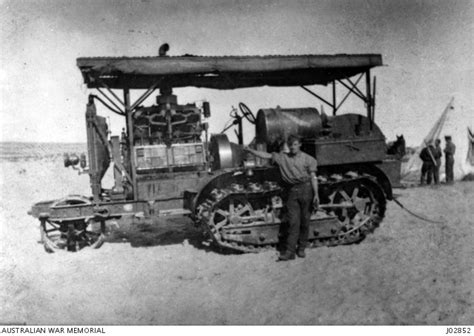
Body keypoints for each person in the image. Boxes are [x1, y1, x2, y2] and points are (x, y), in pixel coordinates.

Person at [245, 135, 319, 261]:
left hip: (306, 190)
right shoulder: (282, 157)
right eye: (291, 145)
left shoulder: (309, 159)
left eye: (295, 144)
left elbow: (313, 177)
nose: (293, 147)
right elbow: (266, 155)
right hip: (292, 191)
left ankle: (301, 248)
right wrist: (251, 151)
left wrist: (316, 194)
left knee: (305, 221)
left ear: (300, 144)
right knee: (293, 222)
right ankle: (290, 252)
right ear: (288, 146)